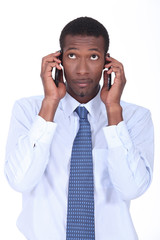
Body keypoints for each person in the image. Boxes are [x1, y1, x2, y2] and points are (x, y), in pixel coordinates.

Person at [5, 17, 154, 240]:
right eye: (72, 55)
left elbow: (131, 189)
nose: (82, 69)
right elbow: (20, 181)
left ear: (107, 62)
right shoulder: (29, 111)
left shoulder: (134, 118)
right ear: (59, 59)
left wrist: (113, 110)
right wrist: (50, 104)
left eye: (93, 56)